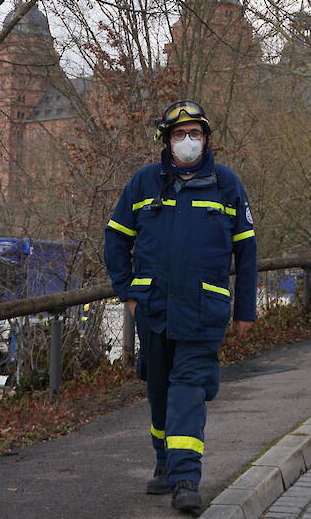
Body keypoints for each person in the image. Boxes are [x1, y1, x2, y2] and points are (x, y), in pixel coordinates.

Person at [104, 100, 258, 515]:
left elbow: (246, 254)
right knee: (158, 391)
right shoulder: (143, 184)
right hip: (153, 310)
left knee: (187, 391)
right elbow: (116, 239)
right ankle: (164, 461)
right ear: (165, 141)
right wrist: (128, 293)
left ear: (206, 139)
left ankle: (187, 478)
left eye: (195, 134)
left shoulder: (227, 186)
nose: (188, 141)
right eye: (179, 134)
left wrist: (245, 310)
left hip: (203, 312)